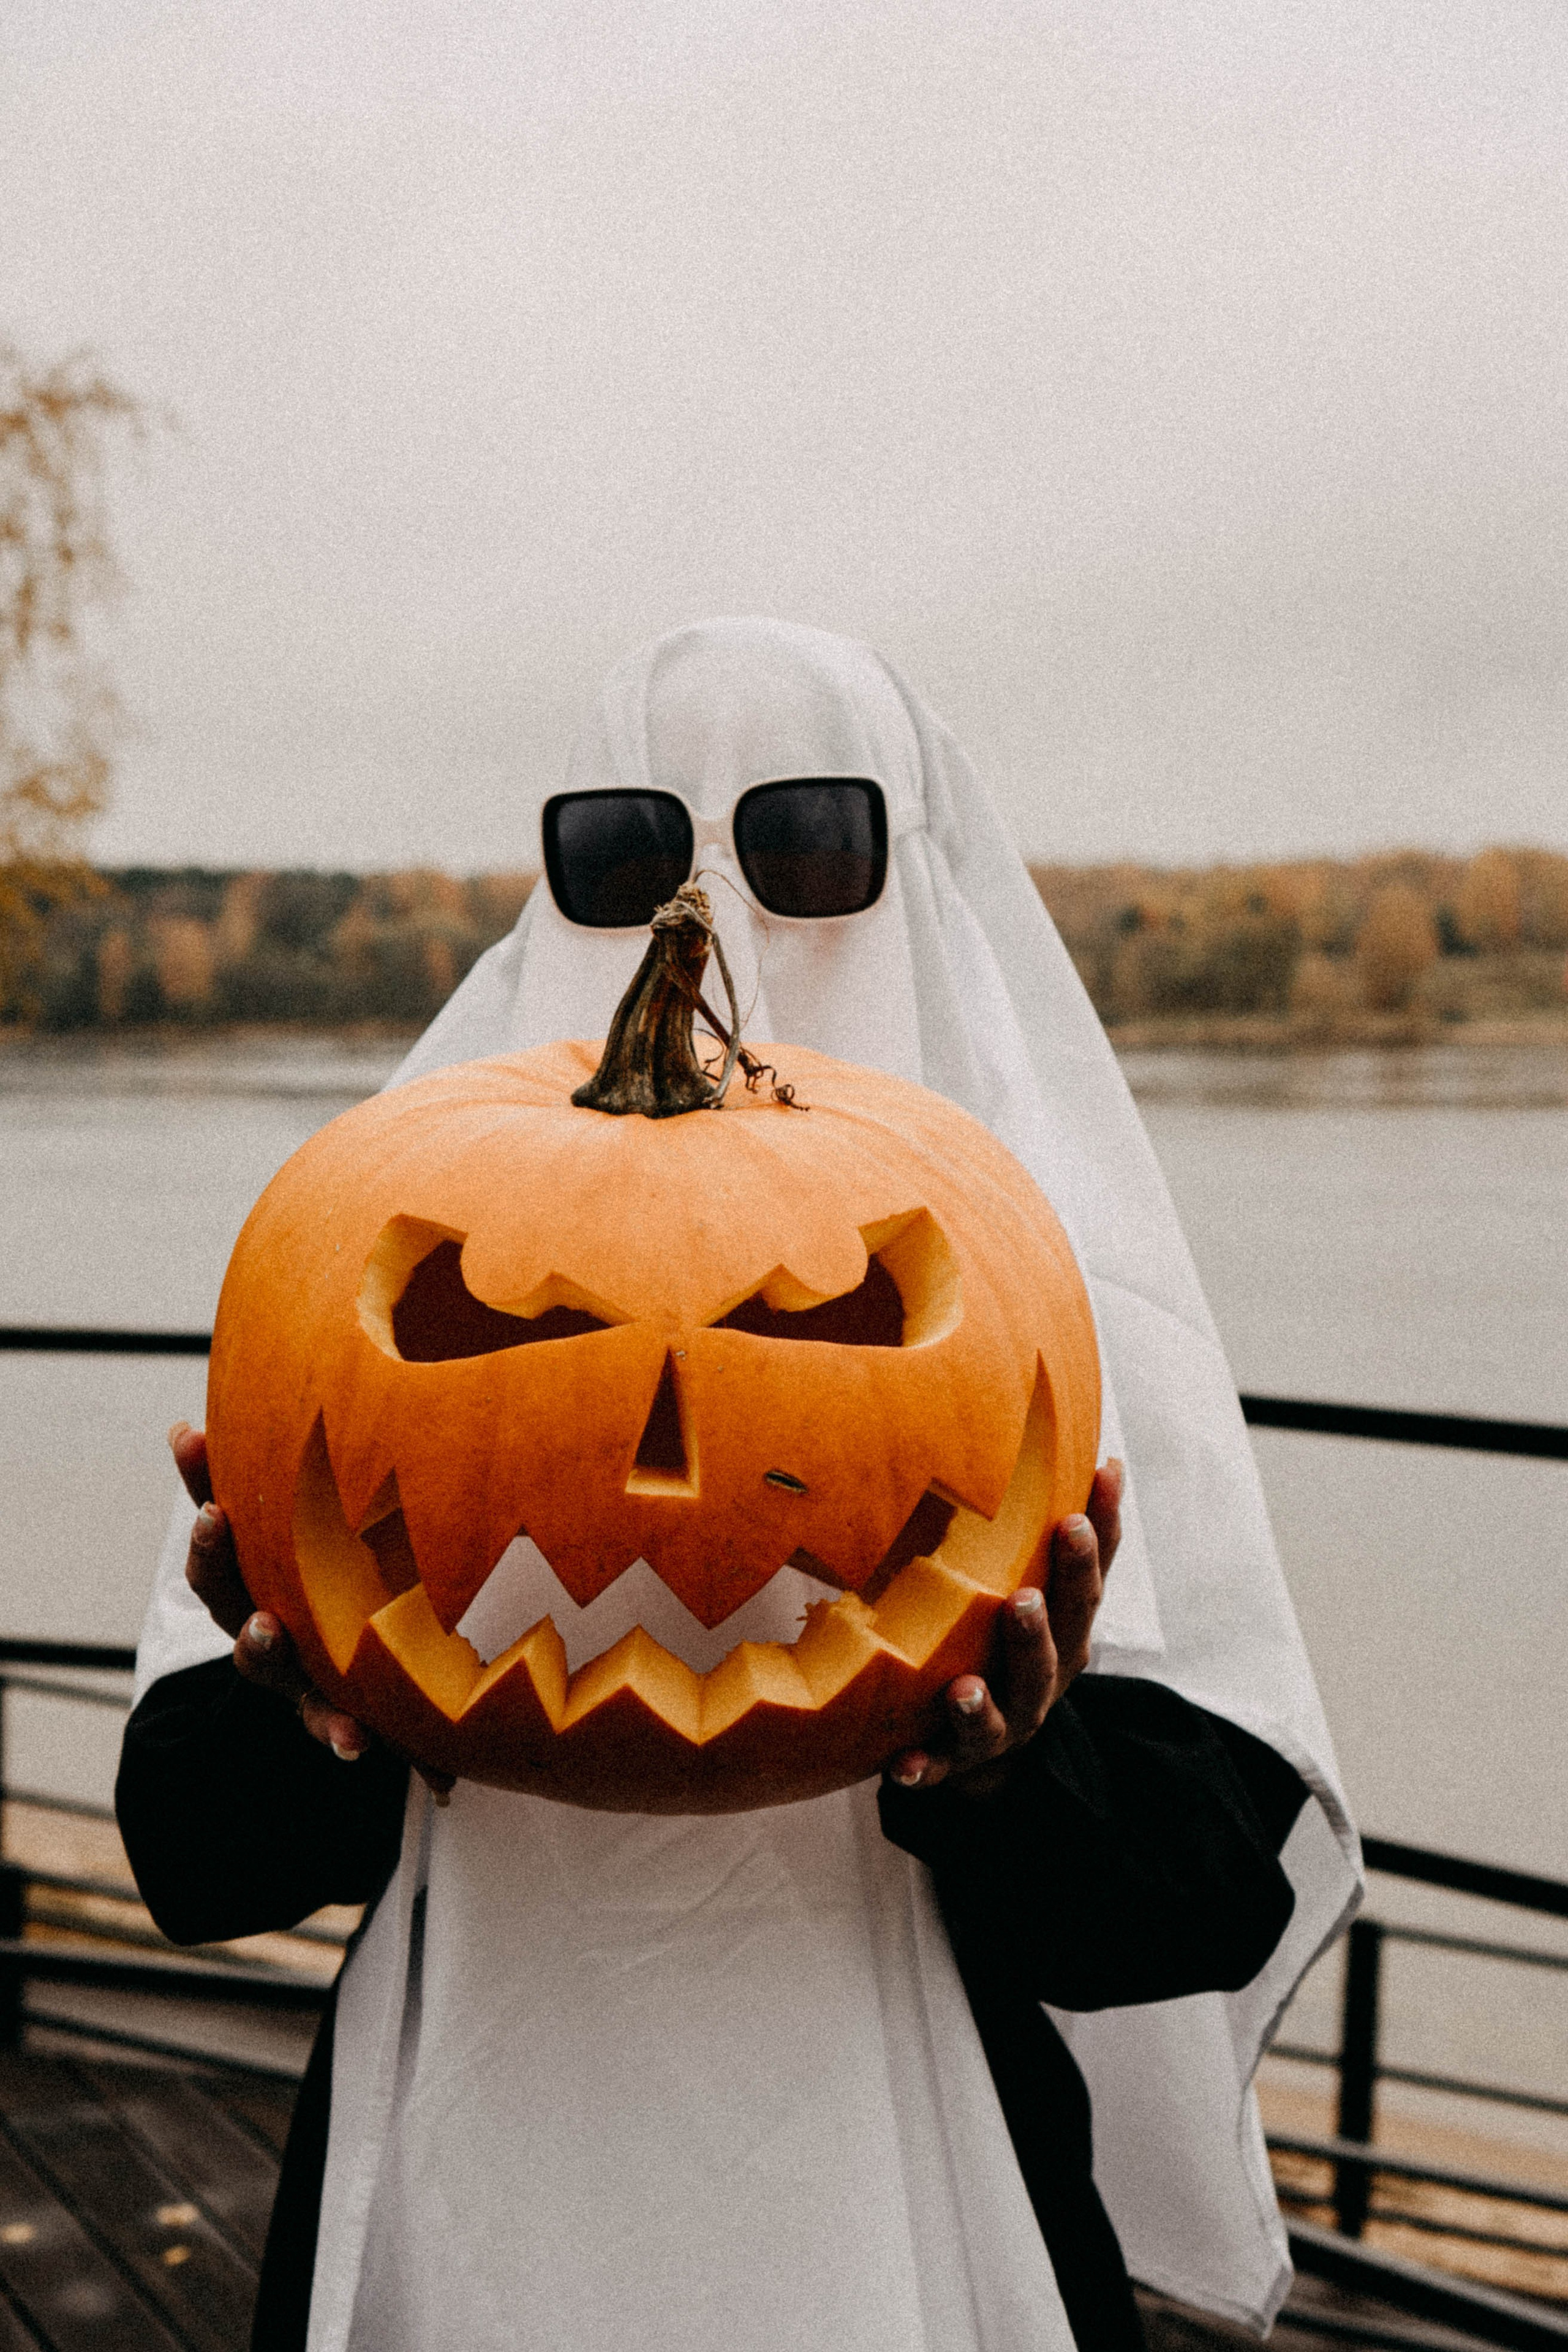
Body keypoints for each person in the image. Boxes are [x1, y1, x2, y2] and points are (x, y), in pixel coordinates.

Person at [118, 619, 1361, 2352]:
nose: (705, 922)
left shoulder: (1056, 1286)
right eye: (628, 852)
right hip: (471, 2157)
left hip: (911, 2178)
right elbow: (193, 1857)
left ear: (905, 865)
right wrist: (307, 1703)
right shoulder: (382, 1264)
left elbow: (1205, 1897)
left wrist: (1018, 1765)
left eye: (803, 846)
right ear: (556, 883)